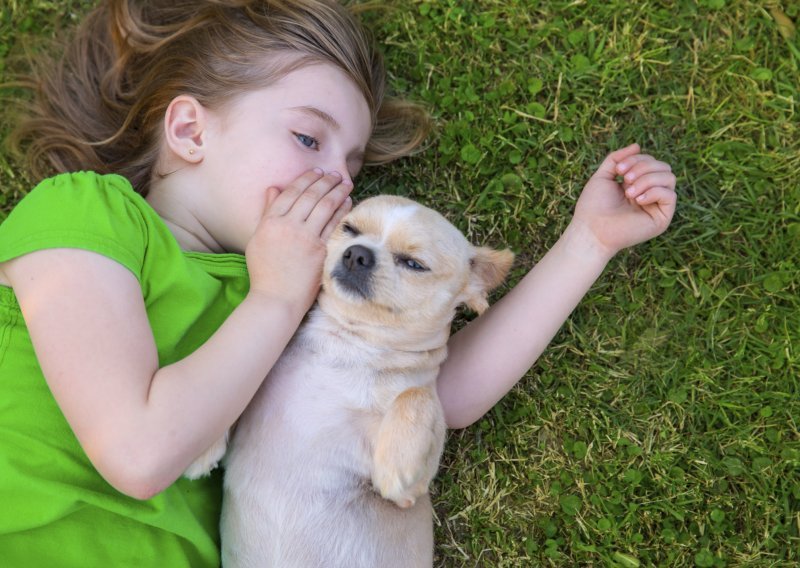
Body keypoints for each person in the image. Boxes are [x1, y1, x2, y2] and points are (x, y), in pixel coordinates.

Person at [0, 0, 676, 566]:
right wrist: (274, 296)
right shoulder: (85, 213)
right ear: (188, 129)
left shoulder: (295, 288)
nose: (338, 181)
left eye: (351, 166)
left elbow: (440, 389)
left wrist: (588, 243)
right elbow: (138, 452)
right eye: (307, 138)